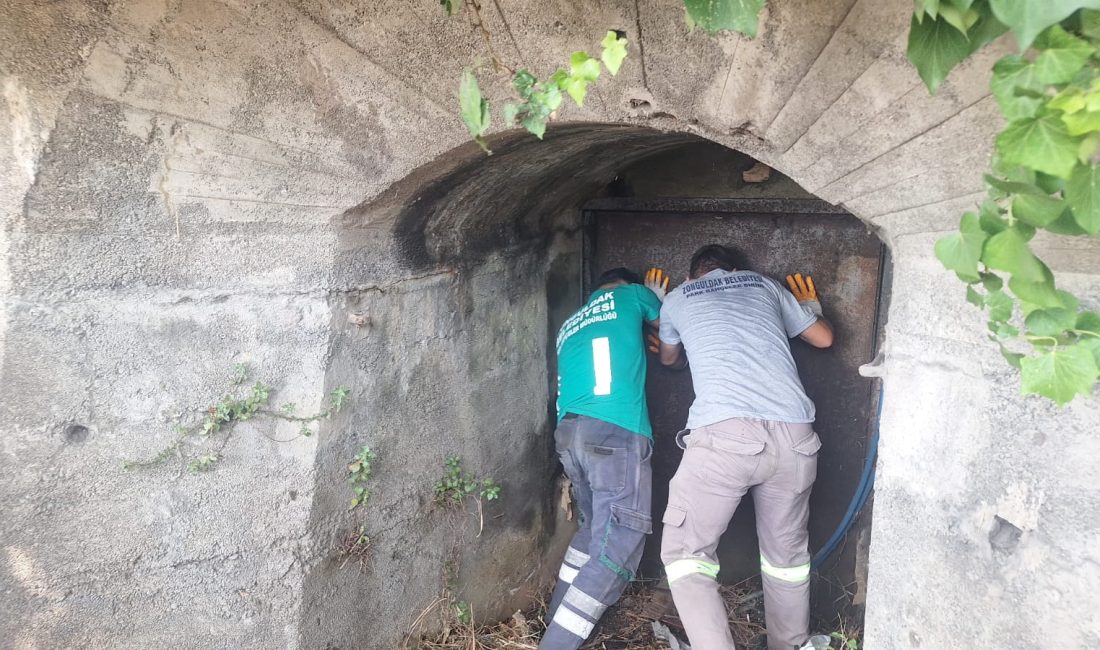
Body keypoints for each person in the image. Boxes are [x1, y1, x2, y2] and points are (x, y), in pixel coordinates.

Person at [654, 244, 834, 650]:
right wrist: (811, 307)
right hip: (796, 437)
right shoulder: (766, 286)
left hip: (725, 438)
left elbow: (668, 360)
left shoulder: (678, 298)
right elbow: (822, 339)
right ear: (736, 269)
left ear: (691, 276)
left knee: (686, 555)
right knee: (785, 558)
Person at [540, 267, 669, 650]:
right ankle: (556, 644)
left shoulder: (570, 323)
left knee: (593, 530)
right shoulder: (632, 297)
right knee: (616, 550)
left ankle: (551, 625)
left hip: (570, 434)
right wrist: (657, 301)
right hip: (613, 431)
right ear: (626, 285)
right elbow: (674, 333)